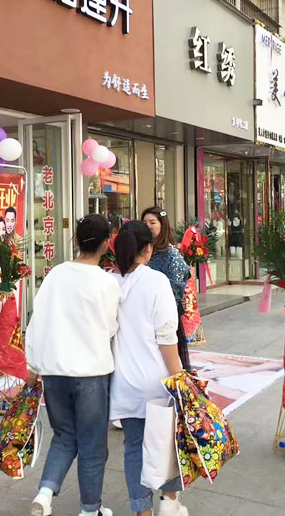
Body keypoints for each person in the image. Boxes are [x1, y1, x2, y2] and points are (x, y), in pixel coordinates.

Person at [25, 214, 121, 516]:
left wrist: (33, 366)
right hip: (91, 372)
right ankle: (90, 510)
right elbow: (111, 327)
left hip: (54, 371)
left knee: (65, 437)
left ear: (76, 240)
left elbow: (37, 321)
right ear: (106, 244)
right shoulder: (107, 282)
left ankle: (45, 493)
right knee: (93, 445)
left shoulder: (55, 274)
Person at [111, 221, 188, 516]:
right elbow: (167, 337)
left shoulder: (109, 281)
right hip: (157, 380)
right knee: (167, 443)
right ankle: (169, 503)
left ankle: (142, 511)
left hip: (122, 381)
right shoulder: (156, 281)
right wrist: (180, 378)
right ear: (148, 248)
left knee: (133, 448)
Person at [141, 206, 191, 370]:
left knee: (169, 362)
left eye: (152, 222)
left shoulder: (171, 254)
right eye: (144, 222)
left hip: (165, 315)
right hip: (144, 315)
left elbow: (176, 288)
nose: (148, 226)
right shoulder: (140, 251)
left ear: (162, 225)